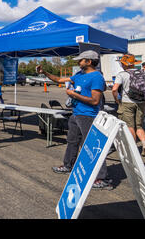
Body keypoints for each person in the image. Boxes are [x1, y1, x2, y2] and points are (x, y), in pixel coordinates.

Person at [37, 50, 113, 190]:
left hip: (88, 115)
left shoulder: (96, 77)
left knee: (91, 146)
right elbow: (59, 80)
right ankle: (68, 166)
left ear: (89, 62)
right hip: (76, 114)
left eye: (81, 60)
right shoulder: (79, 74)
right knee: (72, 141)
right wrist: (44, 72)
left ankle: (103, 178)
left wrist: (73, 95)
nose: (78, 62)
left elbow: (95, 101)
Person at [112, 55, 145, 157]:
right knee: (139, 125)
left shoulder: (122, 74)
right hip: (141, 103)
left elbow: (114, 89)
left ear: (124, 64)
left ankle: (132, 151)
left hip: (127, 102)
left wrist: (117, 100)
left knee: (130, 126)